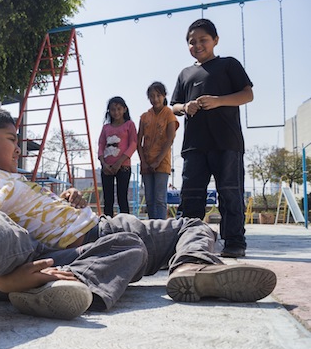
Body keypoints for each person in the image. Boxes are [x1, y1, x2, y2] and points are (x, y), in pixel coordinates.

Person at [0, 106, 277, 349]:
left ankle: (192, 269)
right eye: (11, 138)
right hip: (71, 252)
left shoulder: (13, 179)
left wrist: (63, 203)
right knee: (120, 246)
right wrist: (8, 280)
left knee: (189, 223)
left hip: (100, 227)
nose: (18, 146)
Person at [170, 18, 253, 258]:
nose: (197, 45)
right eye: (191, 42)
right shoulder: (185, 74)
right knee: (191, 197)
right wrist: (186, 106)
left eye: (203, 40)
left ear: (215, 40)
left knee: (230, 193)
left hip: (227, 143)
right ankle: (185, 245)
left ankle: (234, 242)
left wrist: (218, 101)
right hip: (194, 146)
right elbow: (173, 106)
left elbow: (247, 95)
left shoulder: (228, 65)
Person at [137, 82, 179, 219]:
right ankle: (152, 228)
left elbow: (170, 139)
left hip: (162, 162)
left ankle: (161, 228)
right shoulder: (144, 117)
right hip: (147, 163)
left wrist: (158, 161)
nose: (155, 99)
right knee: (149, 199)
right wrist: (143, 161)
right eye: (152, 96)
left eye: (158, 95)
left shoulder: (169, 114)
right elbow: (139, 141)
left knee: (160, 199)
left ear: (164, 95)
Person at [97, 97, 137, 216]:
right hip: (107, 167)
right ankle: (107, 225)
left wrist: (119, 162)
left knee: (122, 197)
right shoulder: (106, 127)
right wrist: (103, 163)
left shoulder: (129, 125)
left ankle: (126, 226)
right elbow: (101, 145)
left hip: (123, 166)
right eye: (113, 109)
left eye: (119, 109)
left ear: (124, 109)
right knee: (108, 199)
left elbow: (133, 144)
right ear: (109, 111)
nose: (116, 112)